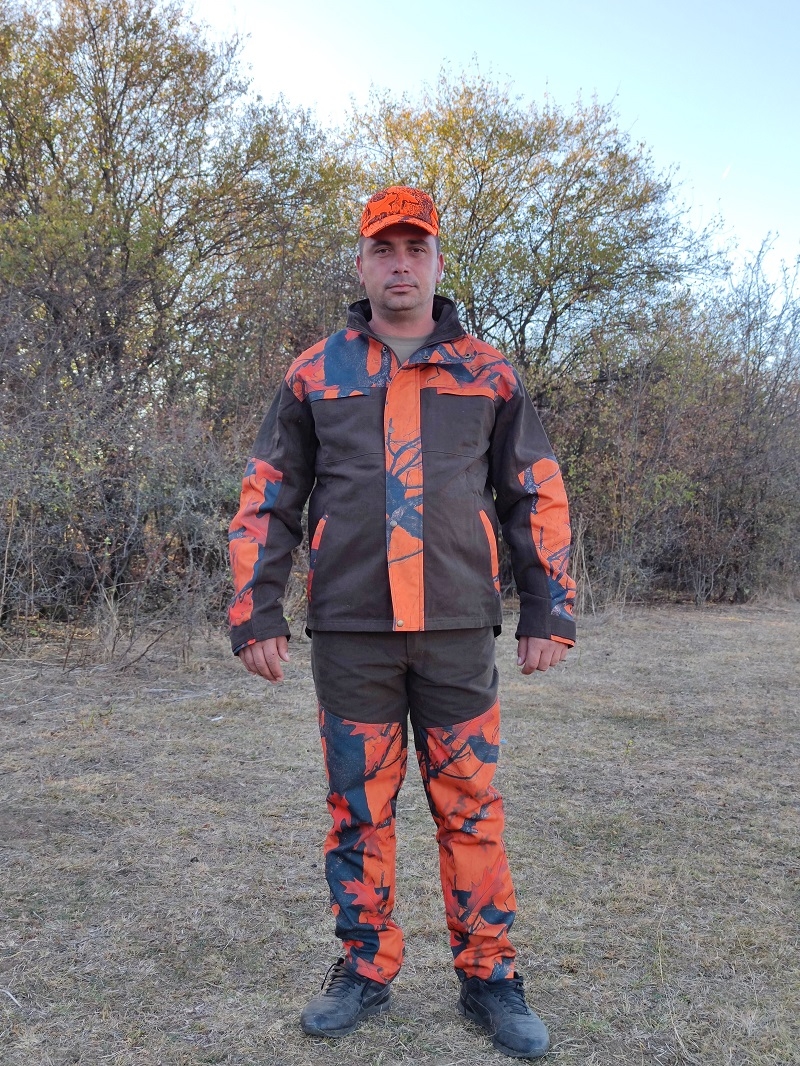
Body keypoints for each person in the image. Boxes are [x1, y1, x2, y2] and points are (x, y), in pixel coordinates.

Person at [228, 186, 576, 1059]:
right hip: (352, 630)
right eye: (384, 249)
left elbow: (534, 491)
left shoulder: (489, 374)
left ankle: (490, 976)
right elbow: (269, 496)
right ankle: (364, 968)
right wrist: (255, 608)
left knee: (471, 808)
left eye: (415, 248)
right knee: (358, 811)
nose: (400, 264)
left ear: (437, 263)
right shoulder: (315, 373)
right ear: (361, 264)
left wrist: (548, 606)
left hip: (457, 626)